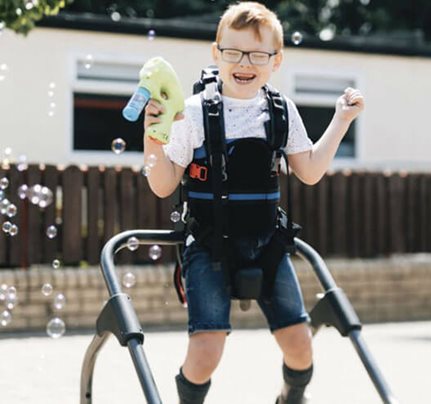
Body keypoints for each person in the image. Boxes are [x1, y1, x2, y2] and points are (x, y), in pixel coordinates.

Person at [142, 2, 364, 403]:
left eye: (258, 55)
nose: (245, 63)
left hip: (267, 243)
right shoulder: (192, 113)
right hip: (208, 245)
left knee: (300, 346)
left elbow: (310, 170)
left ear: (275, 61)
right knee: (207, 350)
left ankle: (289, 398)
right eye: (234, 52)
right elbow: (162, 185)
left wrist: (342, 120)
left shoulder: (281, 112)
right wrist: (153, 134)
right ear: (217, 53)